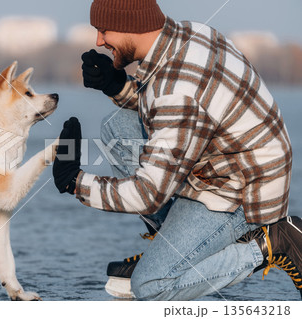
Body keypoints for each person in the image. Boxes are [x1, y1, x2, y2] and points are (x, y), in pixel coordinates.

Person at [52, 0, 302, 300]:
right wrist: (117, 86)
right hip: (225, 163)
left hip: (244, 195)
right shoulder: (189, 33)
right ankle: (171, 247)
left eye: (104, 31)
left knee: (149, 287)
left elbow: (148, 192)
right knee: (117, 128)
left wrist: (75, 182)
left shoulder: (178, 86)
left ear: (130, 24)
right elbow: (169, 109)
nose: (99, 41)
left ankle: (270, 243)